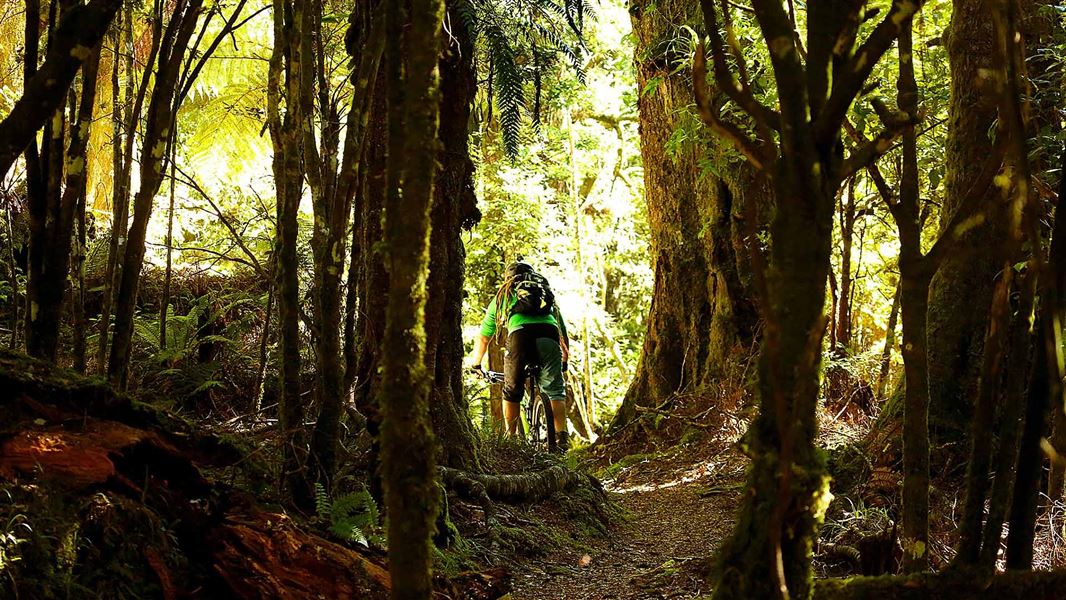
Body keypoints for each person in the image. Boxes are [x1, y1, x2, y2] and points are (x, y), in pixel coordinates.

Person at [468, 261, 570, 450]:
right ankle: (561, 438)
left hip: (520, 337)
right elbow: (562, 333)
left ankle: (512, 440)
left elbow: (483, 338)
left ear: (508, 279)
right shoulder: (545, 294)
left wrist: (476, 364)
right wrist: (564, 359)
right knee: (555, 390)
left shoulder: (504, 294)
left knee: (512, 391)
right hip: (549, 335)